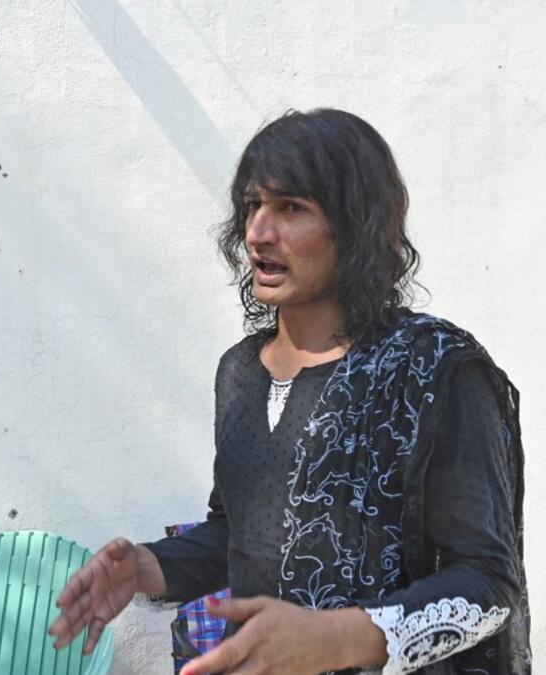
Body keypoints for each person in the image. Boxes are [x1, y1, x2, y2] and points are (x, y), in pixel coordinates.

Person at [48, 109, 529, 674]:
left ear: (357, 225)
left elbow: (489, 585)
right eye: (253, 205)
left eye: (292, 208)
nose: (258, 233)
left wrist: (340, 637)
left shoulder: (433, 368)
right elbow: (240, 534)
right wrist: (147, 567)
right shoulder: (240, 372)